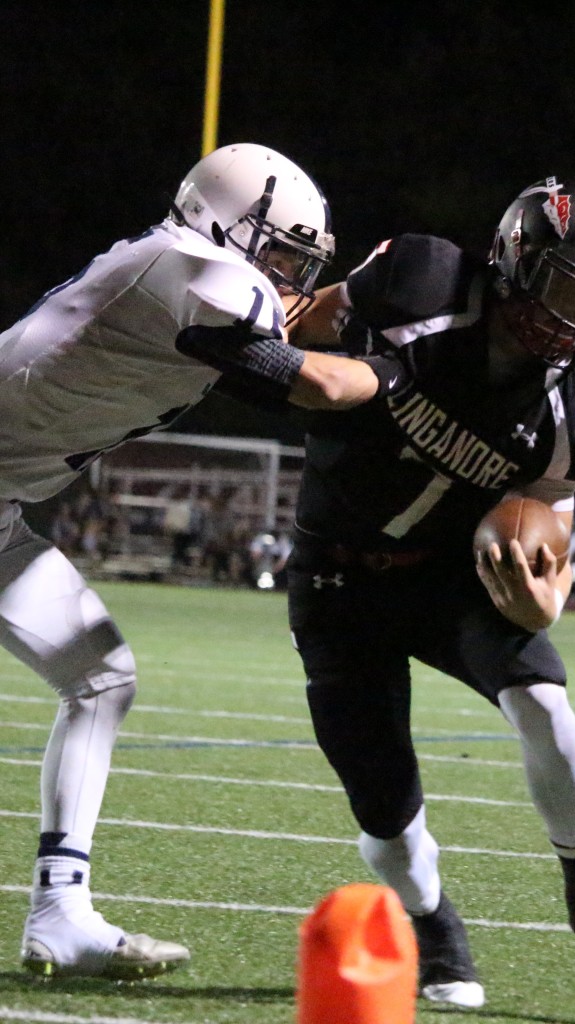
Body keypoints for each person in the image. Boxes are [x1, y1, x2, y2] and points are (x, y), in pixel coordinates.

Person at [275, 176, 575, 1007]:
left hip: (449, 577)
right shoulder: (420, 281)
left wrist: (544, 595)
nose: (571, 320)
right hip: (337, 576)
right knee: (384, 808)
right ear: (515, 259)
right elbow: (306, 321)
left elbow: (550, 523)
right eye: (562, 289)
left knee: (545, 701)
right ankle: (434, 926)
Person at [0, 142, 336, 978]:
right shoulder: (190, 263)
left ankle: (60, 915)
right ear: (228, 218)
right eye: (285, 251)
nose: (290, 275)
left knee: (102, 678)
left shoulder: (182, 275)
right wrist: (400, 379)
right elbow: (304, 383)